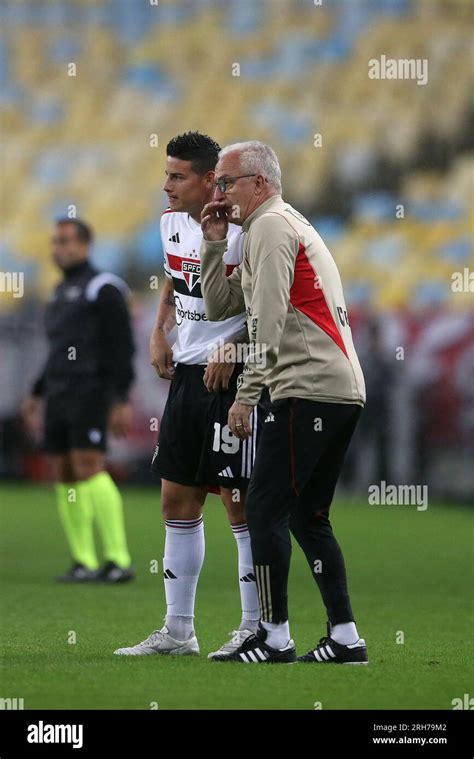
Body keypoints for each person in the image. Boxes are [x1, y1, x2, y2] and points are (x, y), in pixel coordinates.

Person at [199, 141, 368, 664]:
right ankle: (345, 637)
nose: (218, 192)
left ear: (260, 182)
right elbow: (221, 305)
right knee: (308, 517)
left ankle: (274, 637)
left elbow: (266, 325)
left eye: (226, 182)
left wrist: (246, 398)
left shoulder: (271, 228)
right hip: (338, 389)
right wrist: (212, 241)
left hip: (306, 386)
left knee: (267, 507)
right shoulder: (274, 226)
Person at [114, 132, 262, 659]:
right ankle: (178, 631)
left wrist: (238, 346)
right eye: (165, 174)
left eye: (177, 177)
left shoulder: (246, 230)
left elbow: (272, 305)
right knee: (177, 500)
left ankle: (254, 628)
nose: (166, 186)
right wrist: (160, 331)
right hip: (188, 377)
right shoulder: (170, 222)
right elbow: (176, 281)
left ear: (207, 180)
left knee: (240, 505)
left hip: (235, 379)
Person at [23, 218, 135, 583]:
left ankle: (118, 559)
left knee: (89, 465)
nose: (58, 248)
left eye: (65, 242)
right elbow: (57, 351)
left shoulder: (103, 288)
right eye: (55, 242)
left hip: (90, 389)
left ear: (85, 245)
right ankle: (84, 560)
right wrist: (37, 392)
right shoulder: (58, 292)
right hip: (58, 392)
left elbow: (123, 347)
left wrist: (120, 397)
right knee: (64, 471)